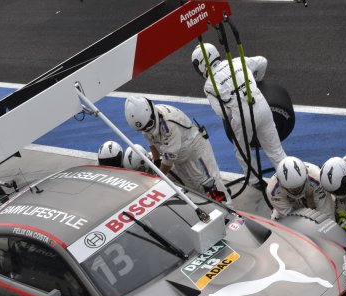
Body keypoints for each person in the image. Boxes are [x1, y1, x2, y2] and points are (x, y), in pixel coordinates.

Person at [191, 42, 287, 189]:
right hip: (262, 104)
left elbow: (222, 113)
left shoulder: (209, 85)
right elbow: (263, 61)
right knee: (275, 150)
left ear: (201, 65)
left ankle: (255, 181)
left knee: (242, 150)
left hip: (242, 115)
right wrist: (258, 81)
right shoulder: (237, 61)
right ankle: (291, 178)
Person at [124, 95, 227, 201]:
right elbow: (151, 141)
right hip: (179, 157)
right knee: (193, 191)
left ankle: (228, 209)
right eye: (144, 129)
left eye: (149, 125)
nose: (148, 129)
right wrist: (156, 161)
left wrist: (158, 179)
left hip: (194, 152)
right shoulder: (146, 121)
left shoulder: (169, 124)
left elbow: (168, 160)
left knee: (211, 187)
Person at [266, 156, 334, 221]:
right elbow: (289, 217)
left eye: (299, 187)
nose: (296, 192)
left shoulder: (317, 177)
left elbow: (326, 212)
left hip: (314, 203)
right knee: (275, 219)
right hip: (292, 206)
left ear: (306, 176)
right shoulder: (273, 191)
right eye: (292, 189)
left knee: (331, 208)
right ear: (280, 183)